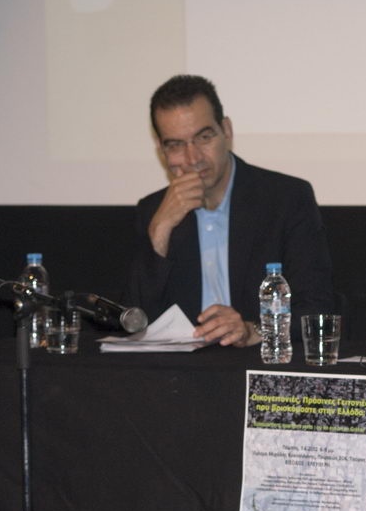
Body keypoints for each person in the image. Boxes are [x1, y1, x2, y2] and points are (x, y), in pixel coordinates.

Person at [125, 74, 335, 347]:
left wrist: (253, 330)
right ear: (161, 149)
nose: (193, 158)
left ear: (226, 131)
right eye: (176, 145)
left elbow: (318, 308)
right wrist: (160, 231)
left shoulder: (285, 199)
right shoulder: (153, 212)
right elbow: (133, 322)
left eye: (203, 137)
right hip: (182, 369)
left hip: (256, 363)